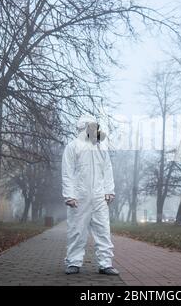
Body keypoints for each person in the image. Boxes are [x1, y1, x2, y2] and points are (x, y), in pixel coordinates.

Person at [61, 114, 119, 276]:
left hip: (99, 197)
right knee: (77, 230)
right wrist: (69, 195)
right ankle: (73, 262)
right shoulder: (73, 147)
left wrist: (109, 191)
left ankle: (105, 264)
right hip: (79, 197)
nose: (95, 130)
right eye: (92, 127)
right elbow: (67, 173)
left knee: (103, 230)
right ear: (84, 128)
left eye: (96, 127)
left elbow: (107, 170)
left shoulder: (101, 147)